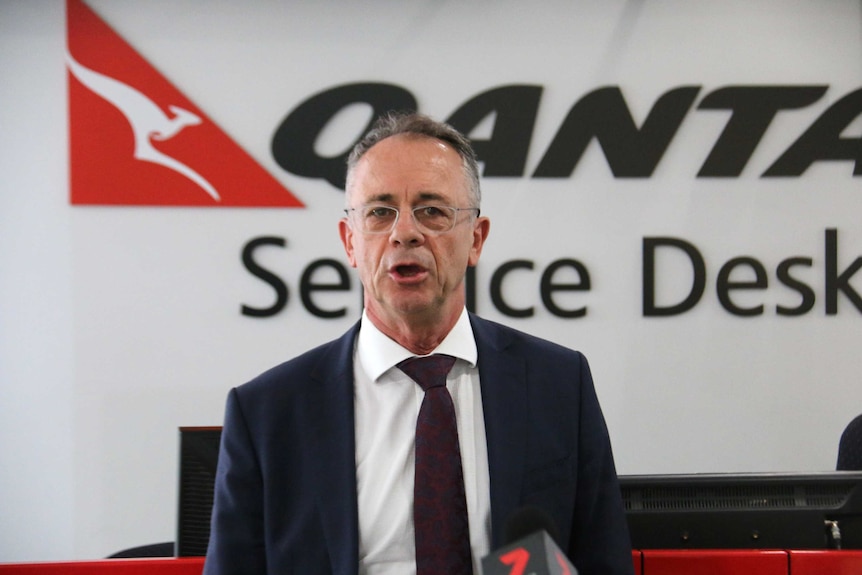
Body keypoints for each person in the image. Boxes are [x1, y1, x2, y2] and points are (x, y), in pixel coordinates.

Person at [204, 112, 633, 575]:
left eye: (432, 210)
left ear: (476, 239)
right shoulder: (268, 412)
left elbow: (602, 559)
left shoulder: (557, 384)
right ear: (351, 243)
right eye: (379, 212)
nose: (404, 232)